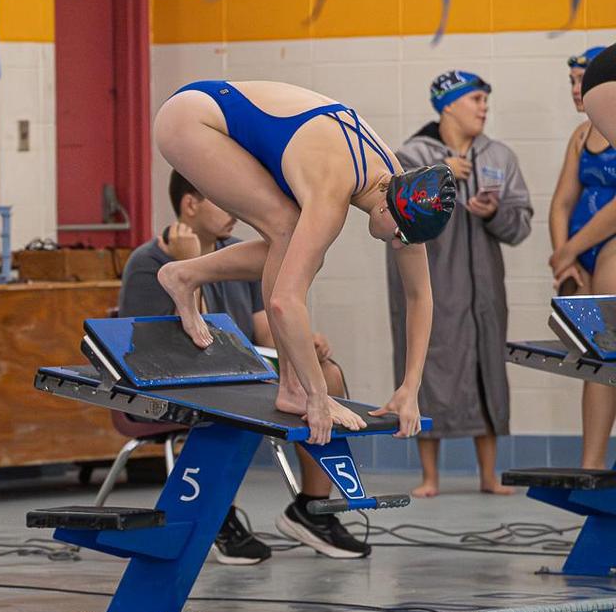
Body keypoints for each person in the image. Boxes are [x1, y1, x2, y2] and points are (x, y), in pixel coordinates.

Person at [151, 80, 455, 445]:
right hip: (191, 119)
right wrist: (316, 395)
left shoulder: (398, 186)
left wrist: (410, 386)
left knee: (296, 244)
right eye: (401, 235)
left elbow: (420, 296)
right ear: (388, 205)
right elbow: (284, 302)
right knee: (286, 229)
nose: (398, 244)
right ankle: (291, 387)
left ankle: (185, 275)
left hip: (220, 115)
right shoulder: (333, 190)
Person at [121, 171, 366, 559]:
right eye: (223, 197)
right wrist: (189, 262)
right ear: (190, 204)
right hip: (178, 381)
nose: (237, 209)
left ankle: (311, 509)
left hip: (241, 372)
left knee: (326, 375)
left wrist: (303, 346)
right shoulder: (149, 261)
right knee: (227, 405)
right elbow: (174, 346)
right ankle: (216, 515)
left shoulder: (241, 252)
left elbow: (263, 327)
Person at [386, 72, 532, 497]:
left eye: (486, 99)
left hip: (483, 287)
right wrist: (438, 176)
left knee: (487, 369)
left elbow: (520, 223)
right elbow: (391, 211)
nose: (484, 107)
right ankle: (429, 477)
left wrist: (491, 212)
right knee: (429, 366)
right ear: (447, 104)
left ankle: (488, 475)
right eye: (476, 99)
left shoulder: (499, 156)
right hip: (433, 284)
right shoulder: (409, 154)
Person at [551, 44, 616, 470]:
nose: (577, 90)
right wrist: (563, 257)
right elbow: (560, 202)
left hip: (609, 246)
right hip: (577, 256)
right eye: (573, 81)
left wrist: (569, 250)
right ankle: (590, 468)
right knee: (596, 361)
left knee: (613, 350)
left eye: (582, 81)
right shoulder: (580, 136)